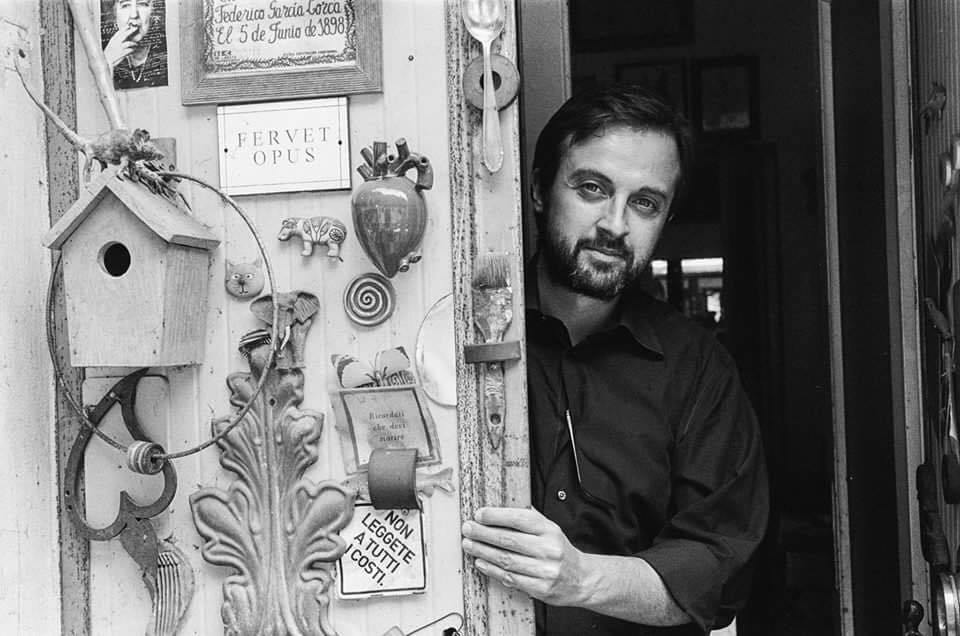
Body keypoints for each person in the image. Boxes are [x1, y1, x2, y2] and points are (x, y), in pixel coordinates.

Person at [460, 85, 769, 635]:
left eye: (645, 203)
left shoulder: (697, 369)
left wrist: (582, 580)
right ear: (538, 190)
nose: (615, 225)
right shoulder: (462, 332)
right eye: (592, 188)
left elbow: (717, 566)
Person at [102, 0, 168, 89]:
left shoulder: (168, 54)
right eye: (125, 5)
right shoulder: (103, 53)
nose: (134, 15)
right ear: (114, 14)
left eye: (142, 4)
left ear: (154, 12)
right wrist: (106, 63)